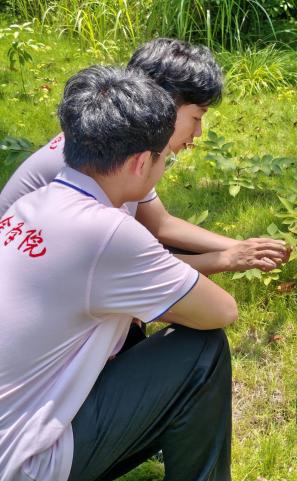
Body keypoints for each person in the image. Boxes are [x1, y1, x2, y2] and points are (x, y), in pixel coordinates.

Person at [0, 66, 238, 480]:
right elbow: (221, 311)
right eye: (163, 157)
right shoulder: (107, 233)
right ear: (141, 162)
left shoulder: (30, 205)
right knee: (202, 351)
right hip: (26, 461)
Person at [0, 38, 289, 276]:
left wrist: (244, 248)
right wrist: (227, 259)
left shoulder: (115, 140)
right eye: (196, 117)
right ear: (161, 102)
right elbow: (130, 267)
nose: (199, 132)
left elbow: (160, 223)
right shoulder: (103, 161)